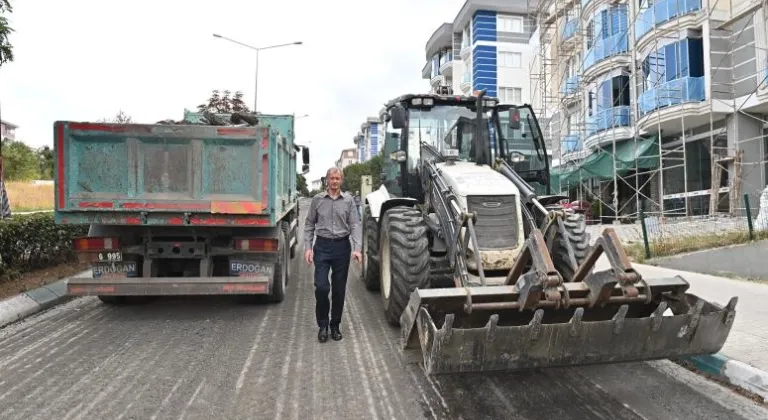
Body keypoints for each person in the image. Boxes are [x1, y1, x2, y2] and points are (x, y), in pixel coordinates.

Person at [304, 167, 362, 342]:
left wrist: (357, 248)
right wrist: (308, 247)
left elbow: (355, 225)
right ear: (327, 180)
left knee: (338, 290)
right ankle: (323, 325)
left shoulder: (349, 201)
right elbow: (308, 224)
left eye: (338, 178)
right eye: (332, 178)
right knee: (322, 287)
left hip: (341, 248)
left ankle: (335, 325)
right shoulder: (317, 200)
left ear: (341, 181)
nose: (335, 181)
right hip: (322, 246)